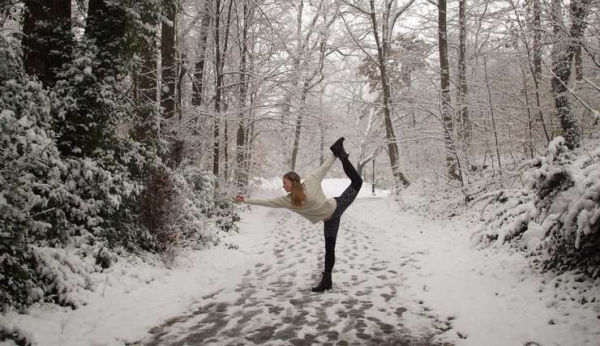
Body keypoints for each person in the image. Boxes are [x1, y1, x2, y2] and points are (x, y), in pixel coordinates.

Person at [234, 137, 363, 292]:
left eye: (285, 183)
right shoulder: (288, 200)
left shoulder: (311, 182)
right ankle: (326, 281)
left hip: (337, 207)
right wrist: (245, 200)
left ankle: (342, 154)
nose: (283, 186)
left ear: (293, 181)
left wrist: (335, 154)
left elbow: (325, 167)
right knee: (329, 248)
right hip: (329, 220)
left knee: (357, 182)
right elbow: (267, 202)